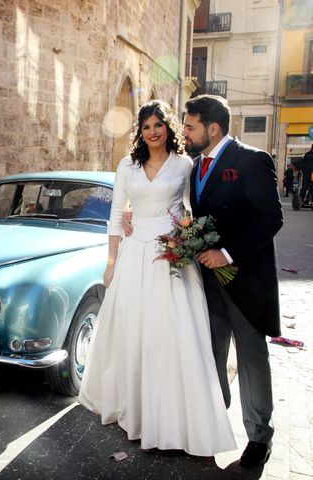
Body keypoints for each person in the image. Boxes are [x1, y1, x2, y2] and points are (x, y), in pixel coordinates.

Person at [123, 94, 282, 468]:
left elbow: (270, 218)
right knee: (209, 355)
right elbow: (180, 209)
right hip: (205, 280)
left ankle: (260, 436)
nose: (185, 132)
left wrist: (226, 255)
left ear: (212, 128)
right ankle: (210, 422)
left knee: (251, 358)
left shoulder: (252, 160)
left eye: (190, 126)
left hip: (244, 281)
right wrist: (133, 212)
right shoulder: (193, 166)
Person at [78, 100, 236, 457]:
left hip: (172, 258)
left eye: (158, 125)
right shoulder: (127, 165)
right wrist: (111, 262)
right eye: (146, 126)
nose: (152, 132)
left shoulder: (185, 164)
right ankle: (135, 410)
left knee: (172, 335)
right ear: (140, 131)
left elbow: (190, 209)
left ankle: (175, 418)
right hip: (135, 255)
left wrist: (189, 238)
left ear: (168, 128)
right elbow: (117, 216)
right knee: (135, 332)